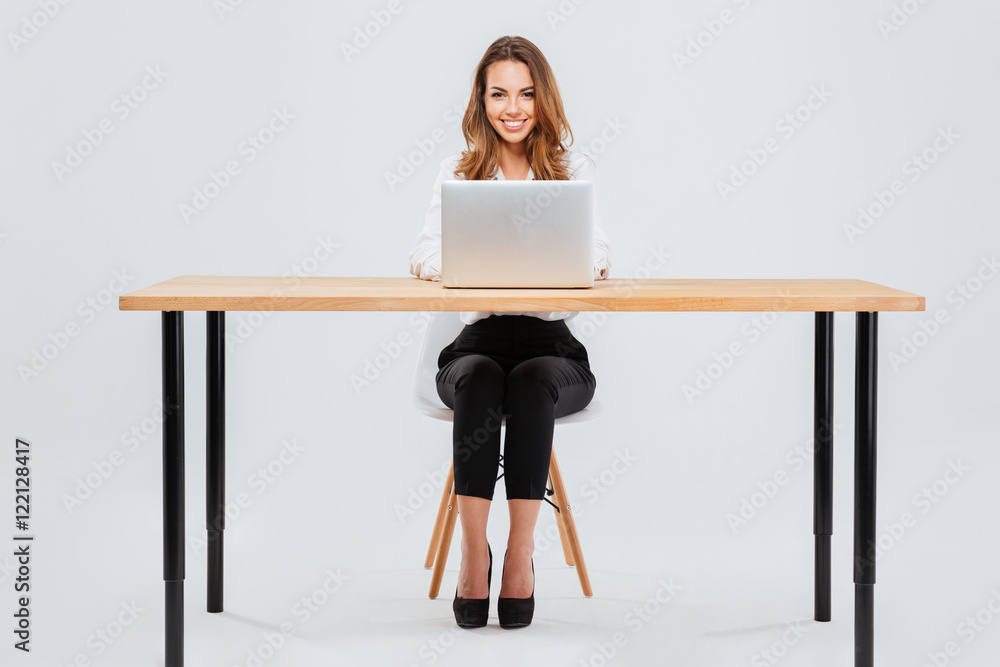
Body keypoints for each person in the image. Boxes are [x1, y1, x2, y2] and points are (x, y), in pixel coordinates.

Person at [406, 35, 611, 629]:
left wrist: (581, 264)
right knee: (477, 375)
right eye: (499, 94)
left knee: (531, 380)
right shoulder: (459, 170)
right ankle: (476, 554)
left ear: (542, 100)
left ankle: (519, 553)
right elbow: (423, 251)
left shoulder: (571, 169)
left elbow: (597, 249)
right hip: (478, 343)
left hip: (552, 353)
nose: (512, 108)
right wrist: (469, 269)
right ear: (482, 100)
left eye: (525, 94)